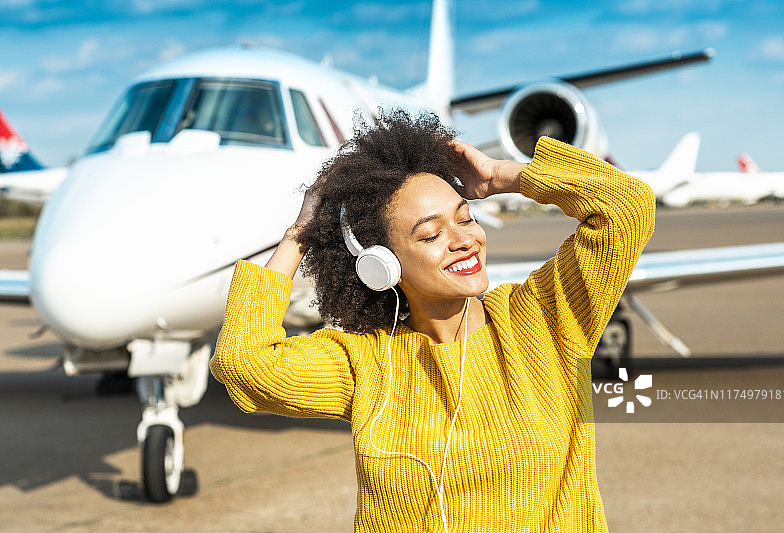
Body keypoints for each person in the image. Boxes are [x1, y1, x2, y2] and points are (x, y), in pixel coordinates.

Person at [210, 109, 655, 532]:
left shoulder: (544, 321)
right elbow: (243, 362)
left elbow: (626, 207)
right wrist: (300, 234)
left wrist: (505, 177)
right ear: (380, 263)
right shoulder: (366, 362)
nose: (465, 241)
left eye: (466, 218)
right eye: (431, 234)